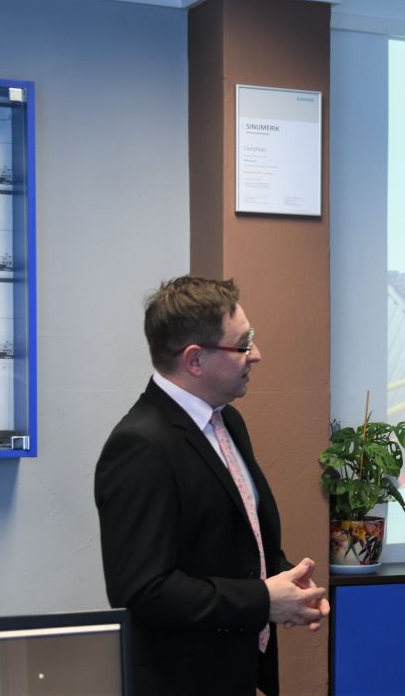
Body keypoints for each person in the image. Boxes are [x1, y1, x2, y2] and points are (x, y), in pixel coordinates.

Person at [95, 277, 330, 696]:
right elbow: (143, 590)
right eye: (242, 345)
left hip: (235, 673)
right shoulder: (140, 446)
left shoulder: (227, 422)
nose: (256, 354)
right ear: (195, 360)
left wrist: (287, 584)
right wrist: (262, 600)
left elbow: (233, 541)